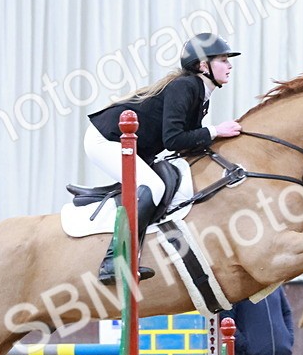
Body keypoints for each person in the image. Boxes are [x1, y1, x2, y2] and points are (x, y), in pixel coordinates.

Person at [86, 33, 242, 284]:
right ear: (203, 65)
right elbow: (173, 140)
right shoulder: (186, 87)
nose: (230, 65)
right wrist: (215, 131)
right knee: (153, 186)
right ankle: (114, 261)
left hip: (132, 145)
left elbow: (187, 142)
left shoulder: (201, 94)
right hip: (107, 139)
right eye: (223, 60)